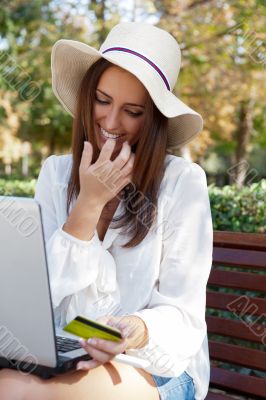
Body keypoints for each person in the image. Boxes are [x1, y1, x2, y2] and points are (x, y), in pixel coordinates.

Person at [0, 22, 213, 400]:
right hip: (69, 350)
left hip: (155, 367)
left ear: (154, 120)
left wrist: (129, 331)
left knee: (20, 394)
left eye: (132, 111)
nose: (111, 124)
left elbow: (184, 318)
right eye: (102, 100)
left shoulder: (183, 184)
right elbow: (44, 300)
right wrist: (88, 204)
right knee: (11, 385)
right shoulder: (56, 173)